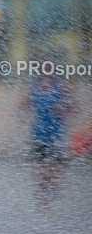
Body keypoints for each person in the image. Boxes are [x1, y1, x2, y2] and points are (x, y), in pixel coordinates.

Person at [22, 67, 72, 211]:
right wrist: (20, 114)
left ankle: (51, 192)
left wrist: (63, 108)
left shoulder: (61, 87)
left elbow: (74, 107)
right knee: (41, 170)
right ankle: (42, 202)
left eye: (48, 68)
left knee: (53, 170)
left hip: (55, 134)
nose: (45, 71)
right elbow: (23, 106)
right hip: (38, 134)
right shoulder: (33, 88)